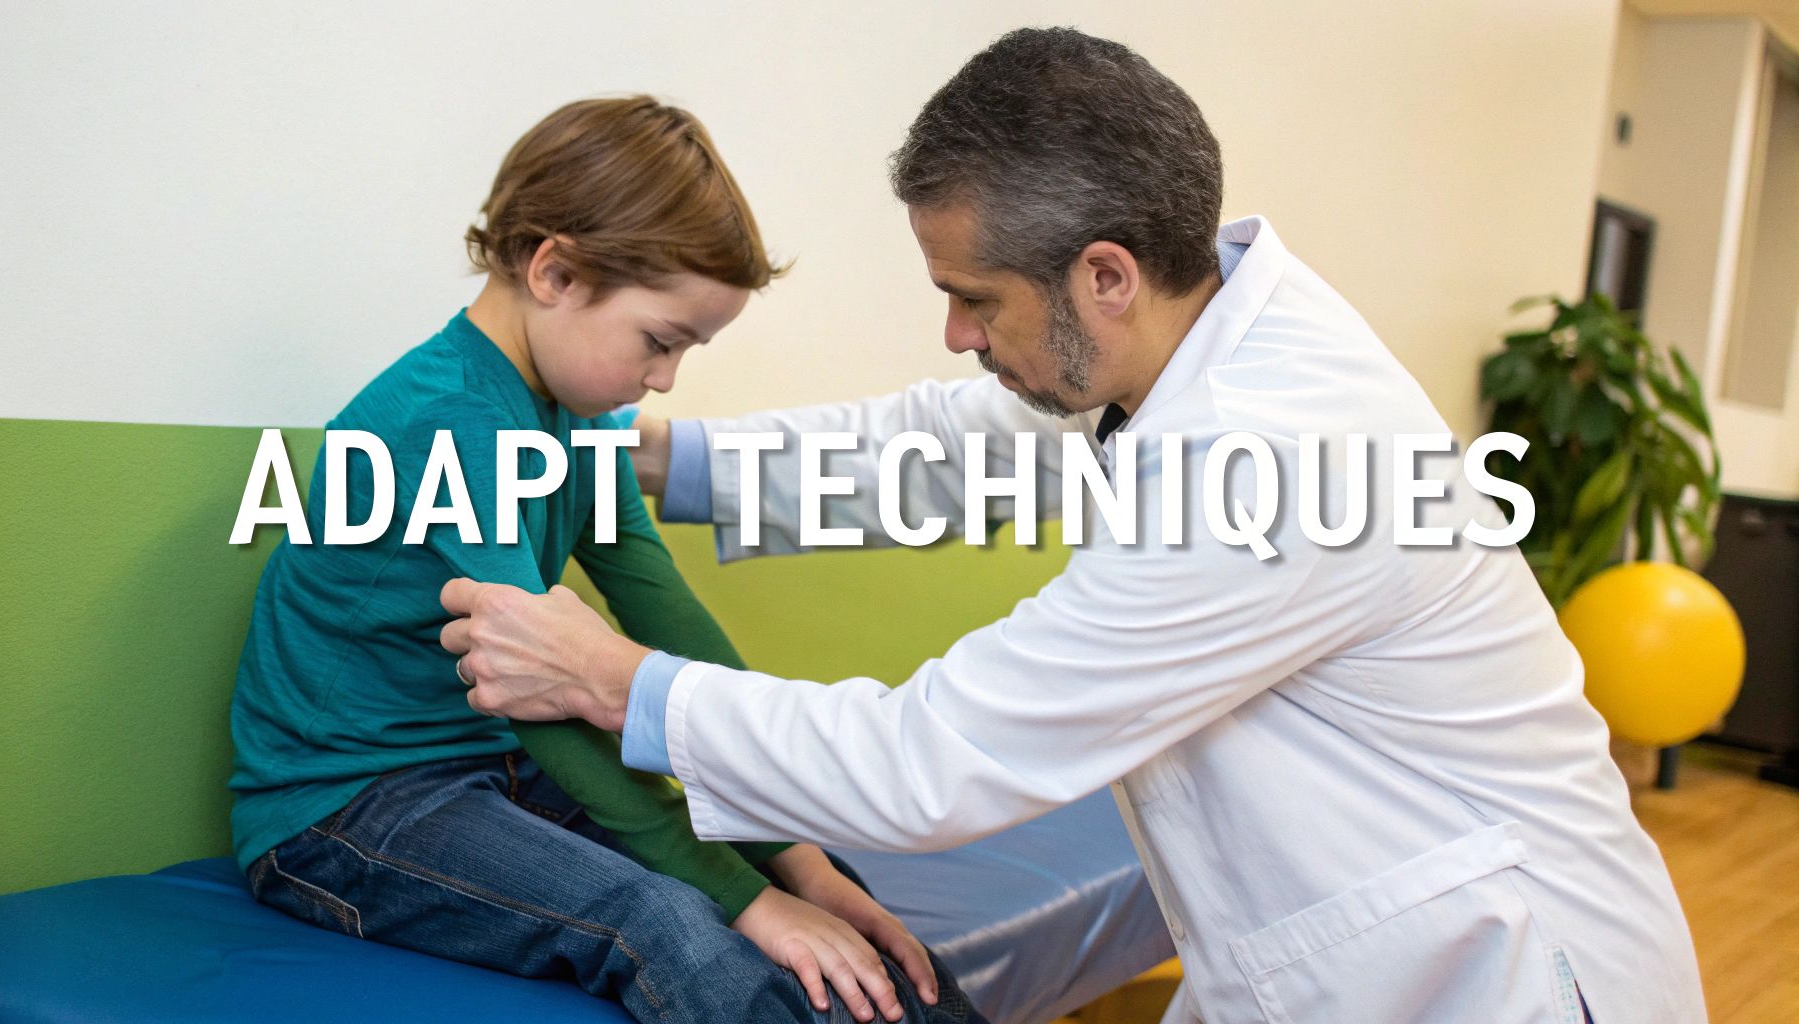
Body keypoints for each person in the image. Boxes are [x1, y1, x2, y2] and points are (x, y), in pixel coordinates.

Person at [440, 30, 1708, 1024]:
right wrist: (652, 455)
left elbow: (939, 755)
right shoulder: (1176, 340)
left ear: (1103, 273)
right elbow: (939, 449)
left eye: (971, 298)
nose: (954, 333)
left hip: (1490, 977)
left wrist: (620, 683)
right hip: (1329, 949)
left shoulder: (1273, 462)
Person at [228, 95, 983, 1024]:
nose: (664, 379)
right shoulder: (449, 420)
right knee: (662, 918)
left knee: (819, 885)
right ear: (555, 272)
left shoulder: (583, 425)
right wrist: (749, 899)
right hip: (349, 809)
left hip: (500, 770)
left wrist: (795, 859)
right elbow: (528, 691)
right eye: (659, 343)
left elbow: (669, 618)